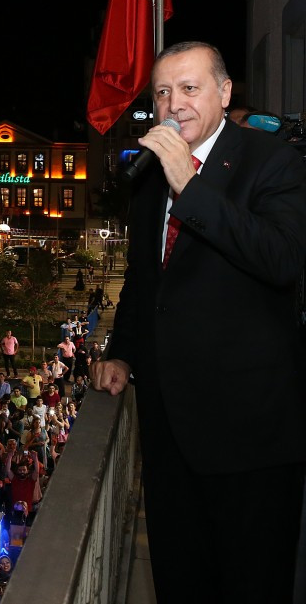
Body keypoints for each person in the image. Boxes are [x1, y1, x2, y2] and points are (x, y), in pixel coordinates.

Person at [90, 41, 306, 603]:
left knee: (251, 585)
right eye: (163, 92)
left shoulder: (272, 161)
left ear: (225, 91)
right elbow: (145, 283)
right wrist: (121, 351)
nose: (174, 104)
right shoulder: (150, 176)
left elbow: (281, 260)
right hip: (170, 437)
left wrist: (192, 183)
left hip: (250, 442)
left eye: (190, 88)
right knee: (182, 583)